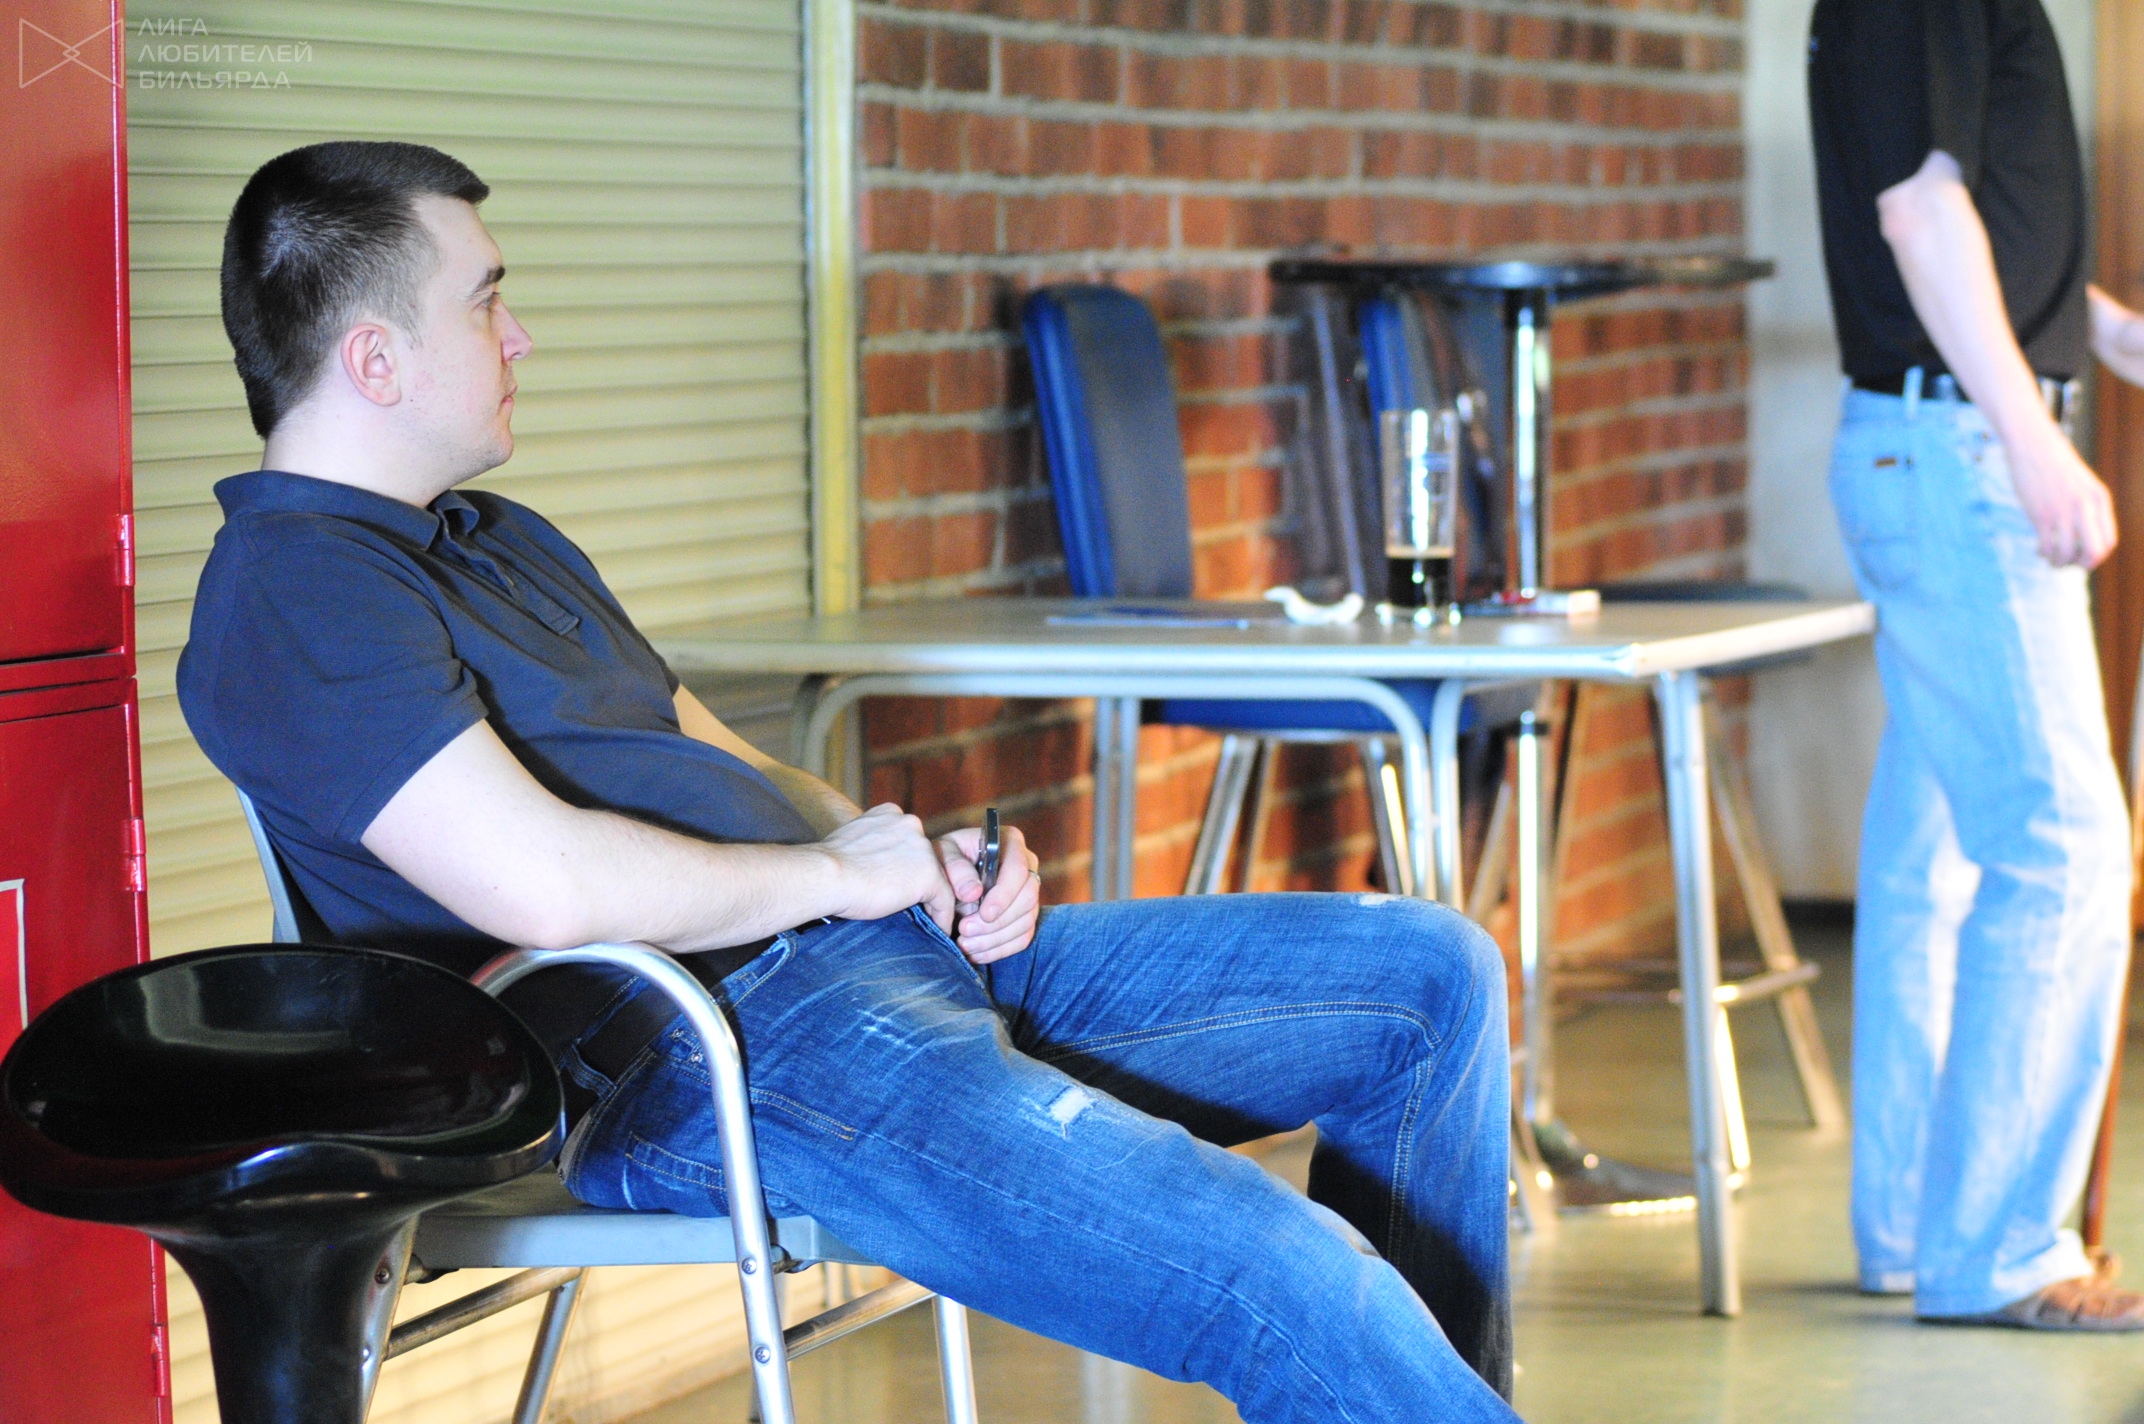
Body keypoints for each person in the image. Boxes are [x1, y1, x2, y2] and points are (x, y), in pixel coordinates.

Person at [174, 140, 1522, 1420]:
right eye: (485, 302)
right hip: (712, 1048)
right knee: (1278, 1276)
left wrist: (909, 862)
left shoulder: (492, 538)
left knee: (1429, 978)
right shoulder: (297, 591)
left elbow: (724, 753)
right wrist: (830, 875)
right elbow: (546, 888)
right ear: (374, 358)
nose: (519, 337)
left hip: (878, 964)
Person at [1809, 0, 2144, 1329]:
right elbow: (1919, 214)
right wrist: (2033, 436)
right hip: (1961, 452)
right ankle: (2003, 1249)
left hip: (1932, 438)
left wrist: (2097, 330)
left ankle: (1912, 1222)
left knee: (1933, 857)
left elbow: (1964, 215)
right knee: (2063, 847)